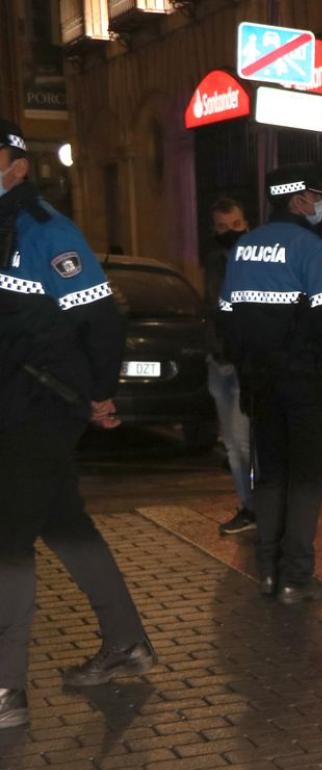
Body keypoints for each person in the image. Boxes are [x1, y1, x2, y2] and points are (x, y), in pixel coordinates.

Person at [0, 120, 155, 729]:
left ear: (17, 163)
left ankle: (7, 692)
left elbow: (100, 321)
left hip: (41, 406)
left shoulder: (46, 230)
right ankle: (126, 644)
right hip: (10, 403)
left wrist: (99, 393)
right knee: (65, 524)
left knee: (8, 539)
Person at [217, 162, 322, 605]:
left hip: (261, 384)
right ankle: (297, 577)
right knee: (307, 479)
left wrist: (247, 372)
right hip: (306, 384)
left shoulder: (244, 248)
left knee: (272, 476)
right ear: (298, 201)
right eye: (316, 197)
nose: (320, 205)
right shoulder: (309, 247)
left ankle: (268, 573)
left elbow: (226, 319)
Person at [202, 197, 255, 535]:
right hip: (218, 361)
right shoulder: (213, 259)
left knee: (243, 442)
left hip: (243, 363)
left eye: (236, 225)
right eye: (222, 227)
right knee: (233, 443)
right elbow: (214, 308)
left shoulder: (254, 259)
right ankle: (249, 505)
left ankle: (256, 508)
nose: (230, 233)